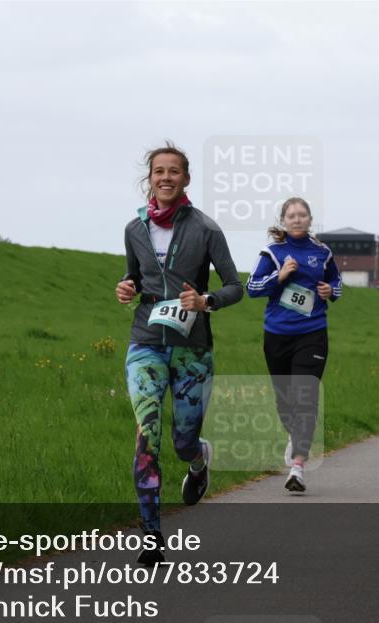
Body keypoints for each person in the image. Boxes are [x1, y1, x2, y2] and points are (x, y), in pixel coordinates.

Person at [116, 142, 243, 566]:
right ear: (148, 178)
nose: (166, 178)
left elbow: (234, 286)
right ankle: (151, 537)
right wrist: (127, 287)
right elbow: (134, 277)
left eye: (174, 171)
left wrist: (206, 301)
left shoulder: (206, 229)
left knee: (182, 439)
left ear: (186, 179)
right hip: (146, 340)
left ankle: (197, 458)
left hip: (192, 350)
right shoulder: (134, 230)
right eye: (158, 171)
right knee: (146, 434)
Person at [247, 197, 342, 494]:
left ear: (310, 219)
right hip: (277, 334)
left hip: (312, 332)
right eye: (292, 215)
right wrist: (281, 275)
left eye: (303, 215)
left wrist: (330, 291)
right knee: (285, 401)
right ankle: (296, 438)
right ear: (284, 221)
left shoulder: (322, 253)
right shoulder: (272, 252)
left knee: (307, 397)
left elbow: (336, 284)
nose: (298, 219)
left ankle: (298, 467)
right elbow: (252, 287)